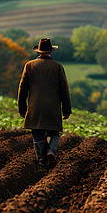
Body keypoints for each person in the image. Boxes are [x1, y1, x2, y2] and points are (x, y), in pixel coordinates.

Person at [18, 38, 71, 169]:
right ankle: (51, 152)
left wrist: (22, 108)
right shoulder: (58, 66)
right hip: (52, 106)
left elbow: (22, 88)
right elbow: (64, 89)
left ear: (39, 51)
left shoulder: (29, 65)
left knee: (37, 133)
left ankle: (42, 161)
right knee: (54, 132)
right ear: (50, 52)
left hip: (35, 106)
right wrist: (67, 109)